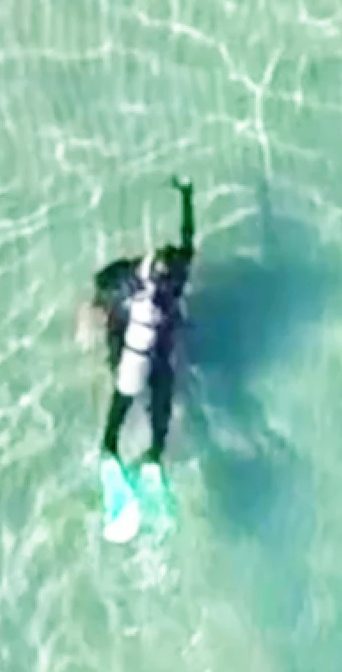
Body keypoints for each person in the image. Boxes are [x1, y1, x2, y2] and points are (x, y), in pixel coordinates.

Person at [93, 177, 196, 543]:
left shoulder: (126, 278)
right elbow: (188, 239)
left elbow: (100, 289)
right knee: (161, 400)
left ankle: (115, 452)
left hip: (134, 352)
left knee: (125, 406)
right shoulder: (174, 274)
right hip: (155, 352)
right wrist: (187, 197)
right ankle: (148, 456)